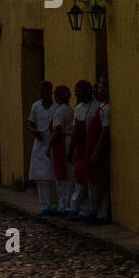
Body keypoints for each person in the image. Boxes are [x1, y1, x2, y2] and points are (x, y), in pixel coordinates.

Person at [69, 78, 99, 220]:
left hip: (90, 148)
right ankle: (77, 208)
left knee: (88, 180)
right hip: (78, 149)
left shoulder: (96, 107)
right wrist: (71, 148)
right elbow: (75, 129)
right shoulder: (79, 108)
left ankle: (86, 210)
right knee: (79, 179)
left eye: (79, 90)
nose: (77, 94)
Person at [27, 80, 58, 214]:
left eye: (42, 90)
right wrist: (34, 131)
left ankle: (54, 203)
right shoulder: (36, 106)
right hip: (39, 144)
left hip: (53, 142)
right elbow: (30, 122)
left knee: (52, 175)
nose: (40, 93)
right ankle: (44, 204)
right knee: (41, 176)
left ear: (49, 91)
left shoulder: (56, 107)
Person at [86, 72, 110, 224]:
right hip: (93, 148)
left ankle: (100, 213)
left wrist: (96, 152)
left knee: (99, 184)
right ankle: (95, 211)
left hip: (99, 152)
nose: (97, 89)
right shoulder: (101, 106)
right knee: (93, 182)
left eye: (101, 86)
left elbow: (104, 131)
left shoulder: (107, 109)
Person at [47, 84, 75, 214]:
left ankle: (64, 204)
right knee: (68, 175)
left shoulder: (60, 111)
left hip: (61, 144)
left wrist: (49, 146)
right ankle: (67, 203)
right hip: (67, 143)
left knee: (61, 176)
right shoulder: (69, 109)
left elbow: (57, 130)